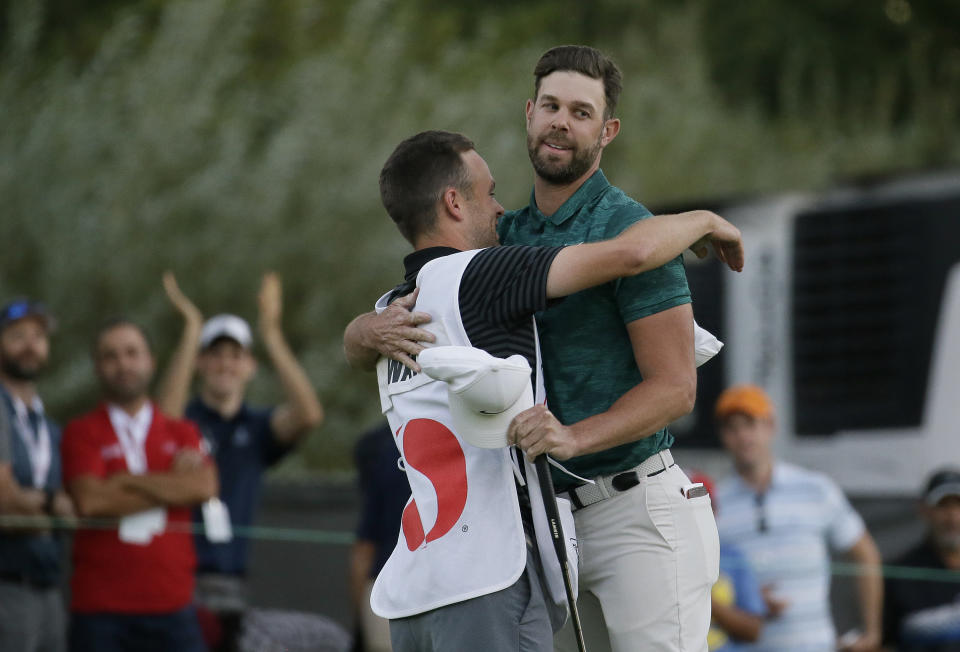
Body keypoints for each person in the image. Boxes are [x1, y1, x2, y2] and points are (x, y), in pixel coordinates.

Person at [345, 45, 725, 652]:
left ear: (608, 131)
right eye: (551, 105)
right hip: (550, 526)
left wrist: (576, 437)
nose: (561, 122)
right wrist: (363, 330)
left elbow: (676, 389)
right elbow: (412, 306)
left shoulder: (636, 227)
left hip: (636, 511)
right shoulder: (502, 235)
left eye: (581, 111)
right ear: (528, 114)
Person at [156, 271, 324, 652]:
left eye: (235, 356)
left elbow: (309, 415)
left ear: (250, 366)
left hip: (232, 583)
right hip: (177, 578)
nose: (225, 364)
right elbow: (162, 424)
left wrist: (272, 334)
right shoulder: (187, 422)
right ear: (199, 363)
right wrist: (190, 329)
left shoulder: (259, 427)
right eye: (215, 355)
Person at [62, 318, 218, 652]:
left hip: (173, 607)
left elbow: (204, 487)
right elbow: (92, 501)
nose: (123, 364)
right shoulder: (81, 431)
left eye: (132, 353)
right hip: (100, 610)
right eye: (111, 356)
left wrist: (126, 481)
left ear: (151, 361)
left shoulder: (182, 431)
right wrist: (172, 485)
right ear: (98, 366)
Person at [712, 384, 883, 652]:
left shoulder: (816, 488)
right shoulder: (714, 502)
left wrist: (872, 632)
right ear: (722, 435)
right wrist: (748, 603)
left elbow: (865, 554)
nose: (743, 435)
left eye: (751, 424)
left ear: (771, 427)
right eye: (732, 427)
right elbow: (707, 584)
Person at [0, 298, 74, 652]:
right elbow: (3, 500)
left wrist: (30, 506)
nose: (30, 344)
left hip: (47, 585)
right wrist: (50, 504)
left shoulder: (50, 426)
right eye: (17, 335)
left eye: (38, 336)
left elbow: (74, 508)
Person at [349, 421, 411, 652]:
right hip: (392, 589)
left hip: (388, 592)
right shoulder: (379, 447)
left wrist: (360, 621)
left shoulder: (380, 445)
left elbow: (364, 548)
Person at [686, 471, 765, 652]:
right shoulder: (658, 555)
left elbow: (753, 630)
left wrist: (701, 597)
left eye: (703, 504)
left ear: (715, 510)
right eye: (686, 505)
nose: (693, 512)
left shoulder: (731, 556)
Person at [883, 467, 960, 651]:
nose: (953, 517)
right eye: (943, 506)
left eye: (958, 504)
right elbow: (884, 641)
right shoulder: (900, 572)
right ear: (924, 510)